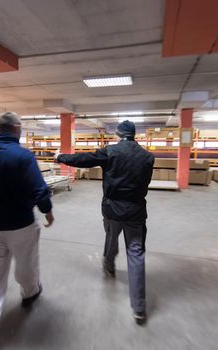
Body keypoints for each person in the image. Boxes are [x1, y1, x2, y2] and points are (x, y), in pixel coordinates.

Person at [0, 112, 54, 350]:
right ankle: (30, 292)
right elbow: (39, 189)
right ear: (16, 128)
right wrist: (47, 211)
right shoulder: (24, 156)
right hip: (21, 224)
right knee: (27, 266)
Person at [55, 120, 154, 324]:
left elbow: (84, 159)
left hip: (112, 209)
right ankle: (139, 308)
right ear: (134, 136)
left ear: (118, 135)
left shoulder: (110, 151)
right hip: (135, 210)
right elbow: (145, 183)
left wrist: (60, 157)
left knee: (111, 237)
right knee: (136, 253)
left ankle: (109, 264)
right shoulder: (147, 156)